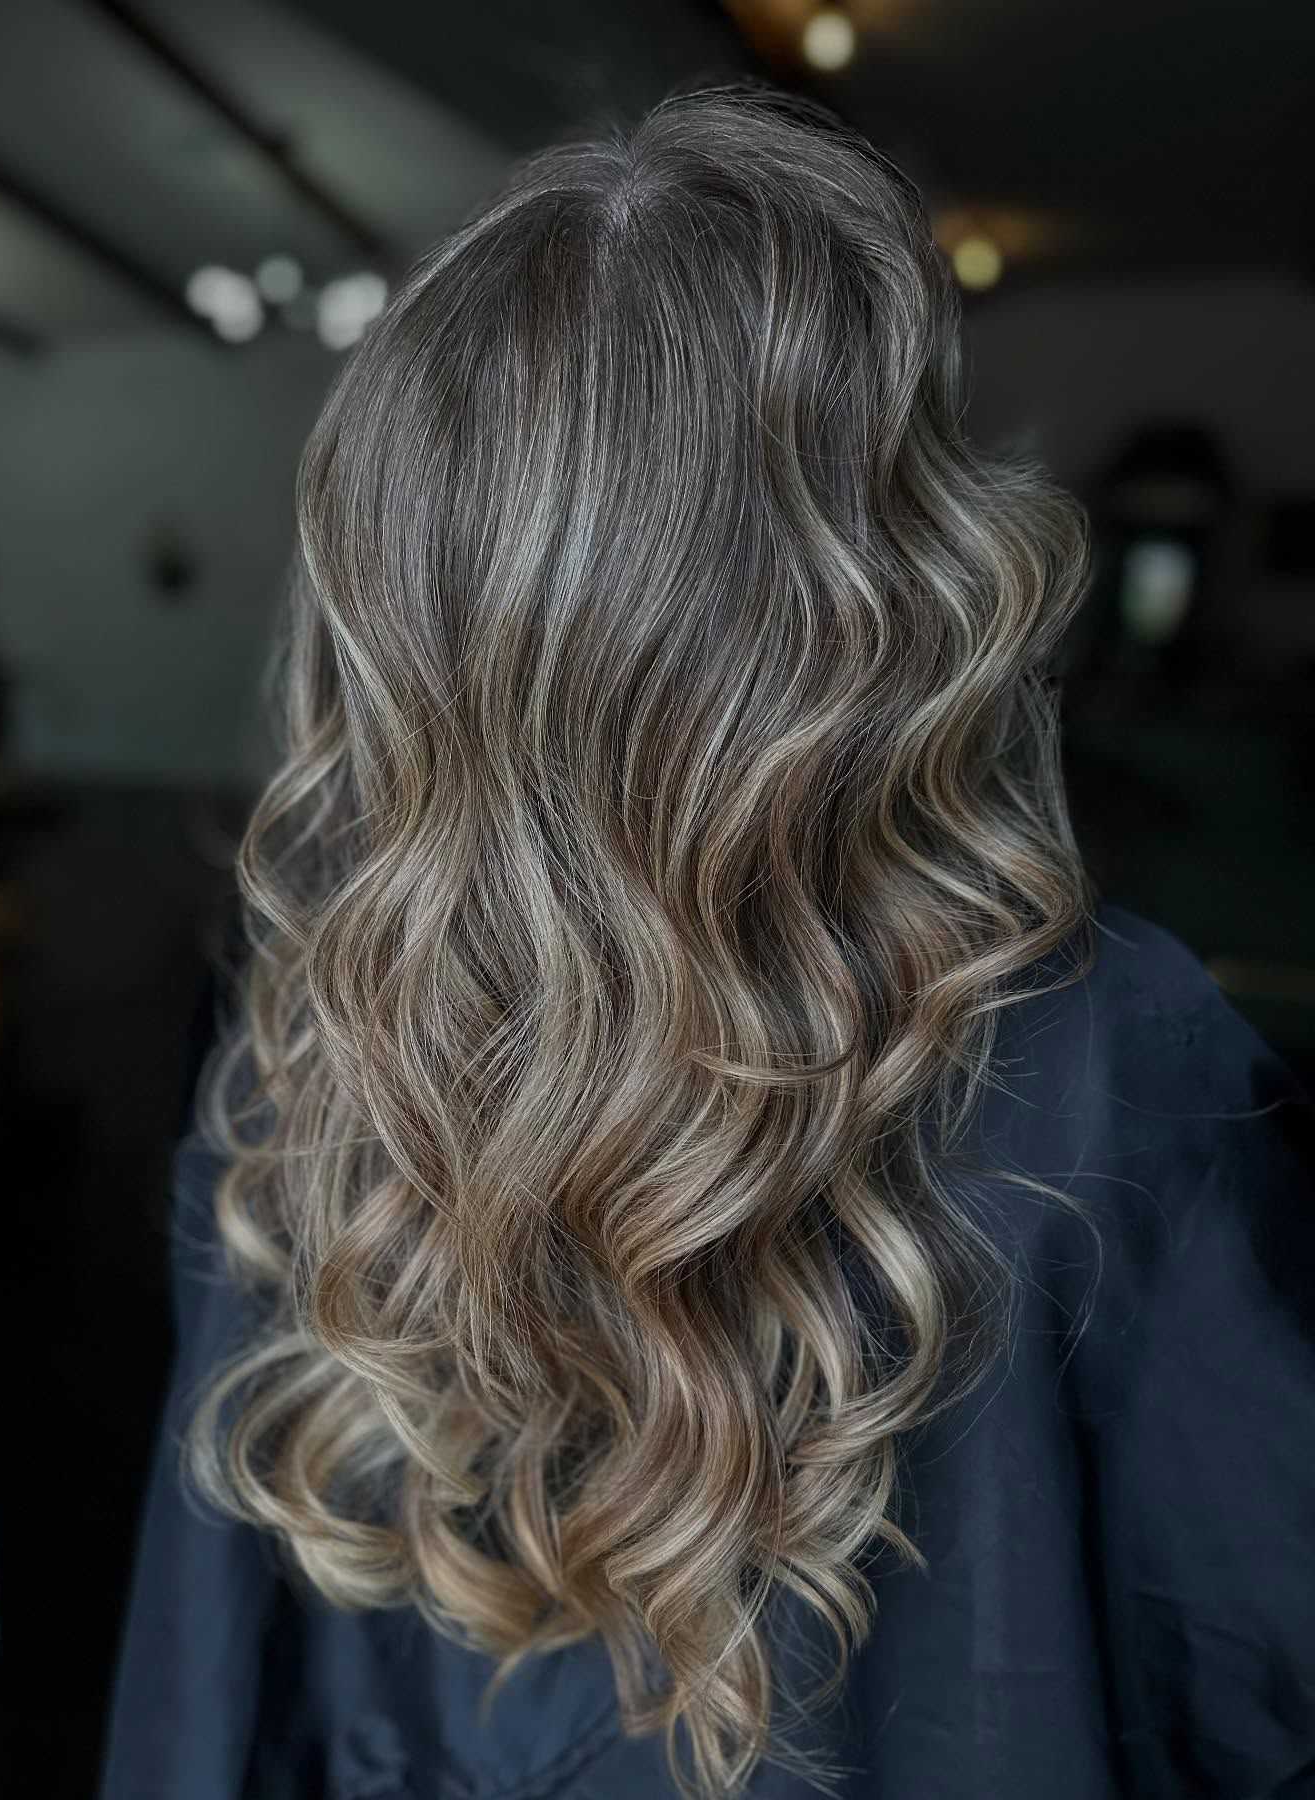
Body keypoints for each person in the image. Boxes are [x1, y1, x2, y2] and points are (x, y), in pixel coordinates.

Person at [98, 84, 1315, 1800]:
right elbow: (1259, 1680)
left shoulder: (308, 1052)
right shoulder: (1111, 1058)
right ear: (879, 568)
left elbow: (207, 1703)